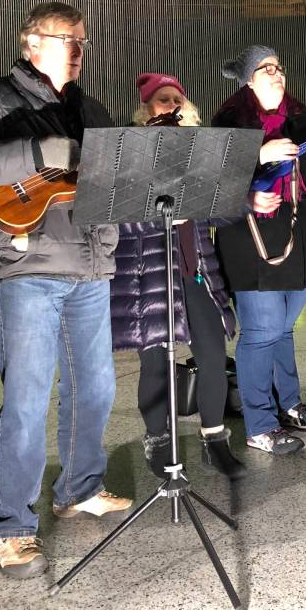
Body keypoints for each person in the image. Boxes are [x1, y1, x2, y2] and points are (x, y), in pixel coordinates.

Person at [0, 2, 131, 580]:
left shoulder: (93, 108)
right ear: (30, 43)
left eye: (82, 40)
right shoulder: (2, 100)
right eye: (64, 39)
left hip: (90, 265)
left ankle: (79, 487)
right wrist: (45, 153)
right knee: (26, 401)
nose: (76, 48)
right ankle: (10, 526)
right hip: (26, 267)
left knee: (96, 388)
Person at [110, 73, 245, 480]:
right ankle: (158, 439)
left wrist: (212, 204)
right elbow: (115, 223)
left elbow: (228, 212)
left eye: (178, 100)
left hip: (196, 269)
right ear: (145, 109)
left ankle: (214, 438)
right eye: (163, 100)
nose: (172, 106)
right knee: (156, 360)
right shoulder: (129, 153)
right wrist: (162, 216)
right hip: (149, 275)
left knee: (210, 353)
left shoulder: (201, 153)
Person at [212, 46, 306, 455]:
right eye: (265, 69)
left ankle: (288, 404)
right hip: (250, 238)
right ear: (249, 79)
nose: (276, 73)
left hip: (299, 233)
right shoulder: (229, 121)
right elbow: (212, 182)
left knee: (283, 328)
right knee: (262, 331)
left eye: (279, 68)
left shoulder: (305, 119)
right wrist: (259, 156)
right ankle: (259, 424)